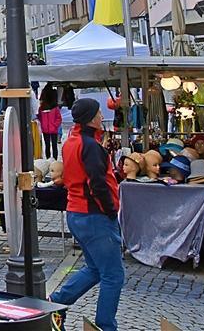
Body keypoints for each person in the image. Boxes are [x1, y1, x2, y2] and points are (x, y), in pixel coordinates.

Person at [48, 98, 124, 331]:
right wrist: (111, 211)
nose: (102, 116)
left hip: (77, 212)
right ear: (92, 118)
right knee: (113, 275)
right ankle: (105, 327)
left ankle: (56, 304)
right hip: (94, 216)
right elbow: (97, 183)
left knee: (93, 268)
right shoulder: (89, 145)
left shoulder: (72, 140)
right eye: (99, 113)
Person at [38, 94, 63, 160]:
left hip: (53, 129)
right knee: (47, 145)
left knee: (54, 145)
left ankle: (55, 159)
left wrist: (55, 126)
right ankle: (48, 159)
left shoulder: (55, 108)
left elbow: (59, 118)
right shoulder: (41, 108)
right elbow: (39, 117)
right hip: (46, 129)